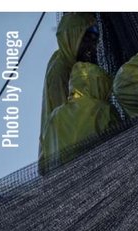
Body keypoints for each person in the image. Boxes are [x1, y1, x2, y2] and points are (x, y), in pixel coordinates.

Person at [39, 62, 120, 173]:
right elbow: (121, 147)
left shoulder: (51, 118)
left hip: (62, 182)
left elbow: (41, 168)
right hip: (97, 178)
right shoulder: (103, 109)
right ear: (96, 84)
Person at [39, 13, 99, 154]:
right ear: (72, 37)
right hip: (65, 151)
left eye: (95, 40)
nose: (91, 46)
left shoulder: (68, 62)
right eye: (86, 39)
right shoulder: (60, 70)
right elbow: (65, 119)